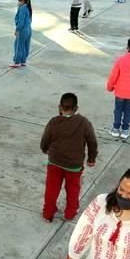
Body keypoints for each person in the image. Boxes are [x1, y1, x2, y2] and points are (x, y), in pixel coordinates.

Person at [40, 92, 97, 222]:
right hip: (74, 165)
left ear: (60, 107)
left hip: (55, 162)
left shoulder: (53, 122)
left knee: (51, 188)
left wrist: (44, 149)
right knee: (73, 189)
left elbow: (45, 139)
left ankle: (48, 212)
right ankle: (70, 213)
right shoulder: (83, 122)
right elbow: (92, 141)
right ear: (76, 108)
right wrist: (91, 158)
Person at [11, 0, 31, 67]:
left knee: (18, 45)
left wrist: (17, 30)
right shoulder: (27, 7)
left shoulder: (22, 8)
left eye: (19, 0)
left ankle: (17, 62)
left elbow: (21, 21)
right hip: (28, 29)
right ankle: (23, 61)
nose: (18, 2)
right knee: (25, 45)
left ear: (22, 0)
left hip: (23, 30)